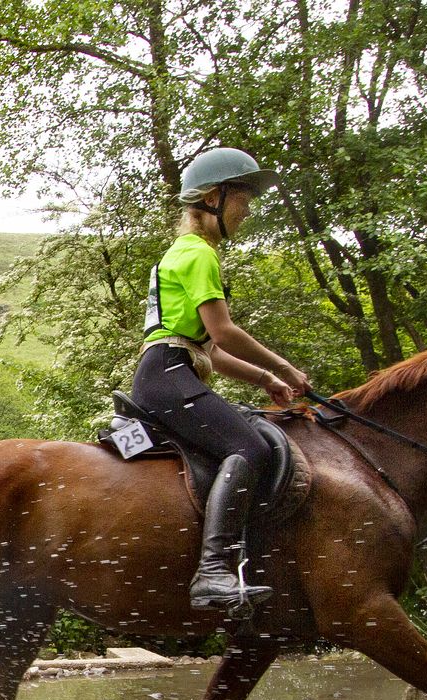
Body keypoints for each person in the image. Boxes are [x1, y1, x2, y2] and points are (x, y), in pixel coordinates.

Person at [133, 146, 313, 617]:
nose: (248, 211)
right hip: (169, 374)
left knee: (242, 437)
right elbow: (224, 333)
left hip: (169, 371)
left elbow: (210, 350)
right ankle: (213, 571)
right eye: (243, 200)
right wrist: (290, 371)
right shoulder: (198, 255)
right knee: (250, 447)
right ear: (214, 198)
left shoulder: (184, 253)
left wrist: (265, 378)